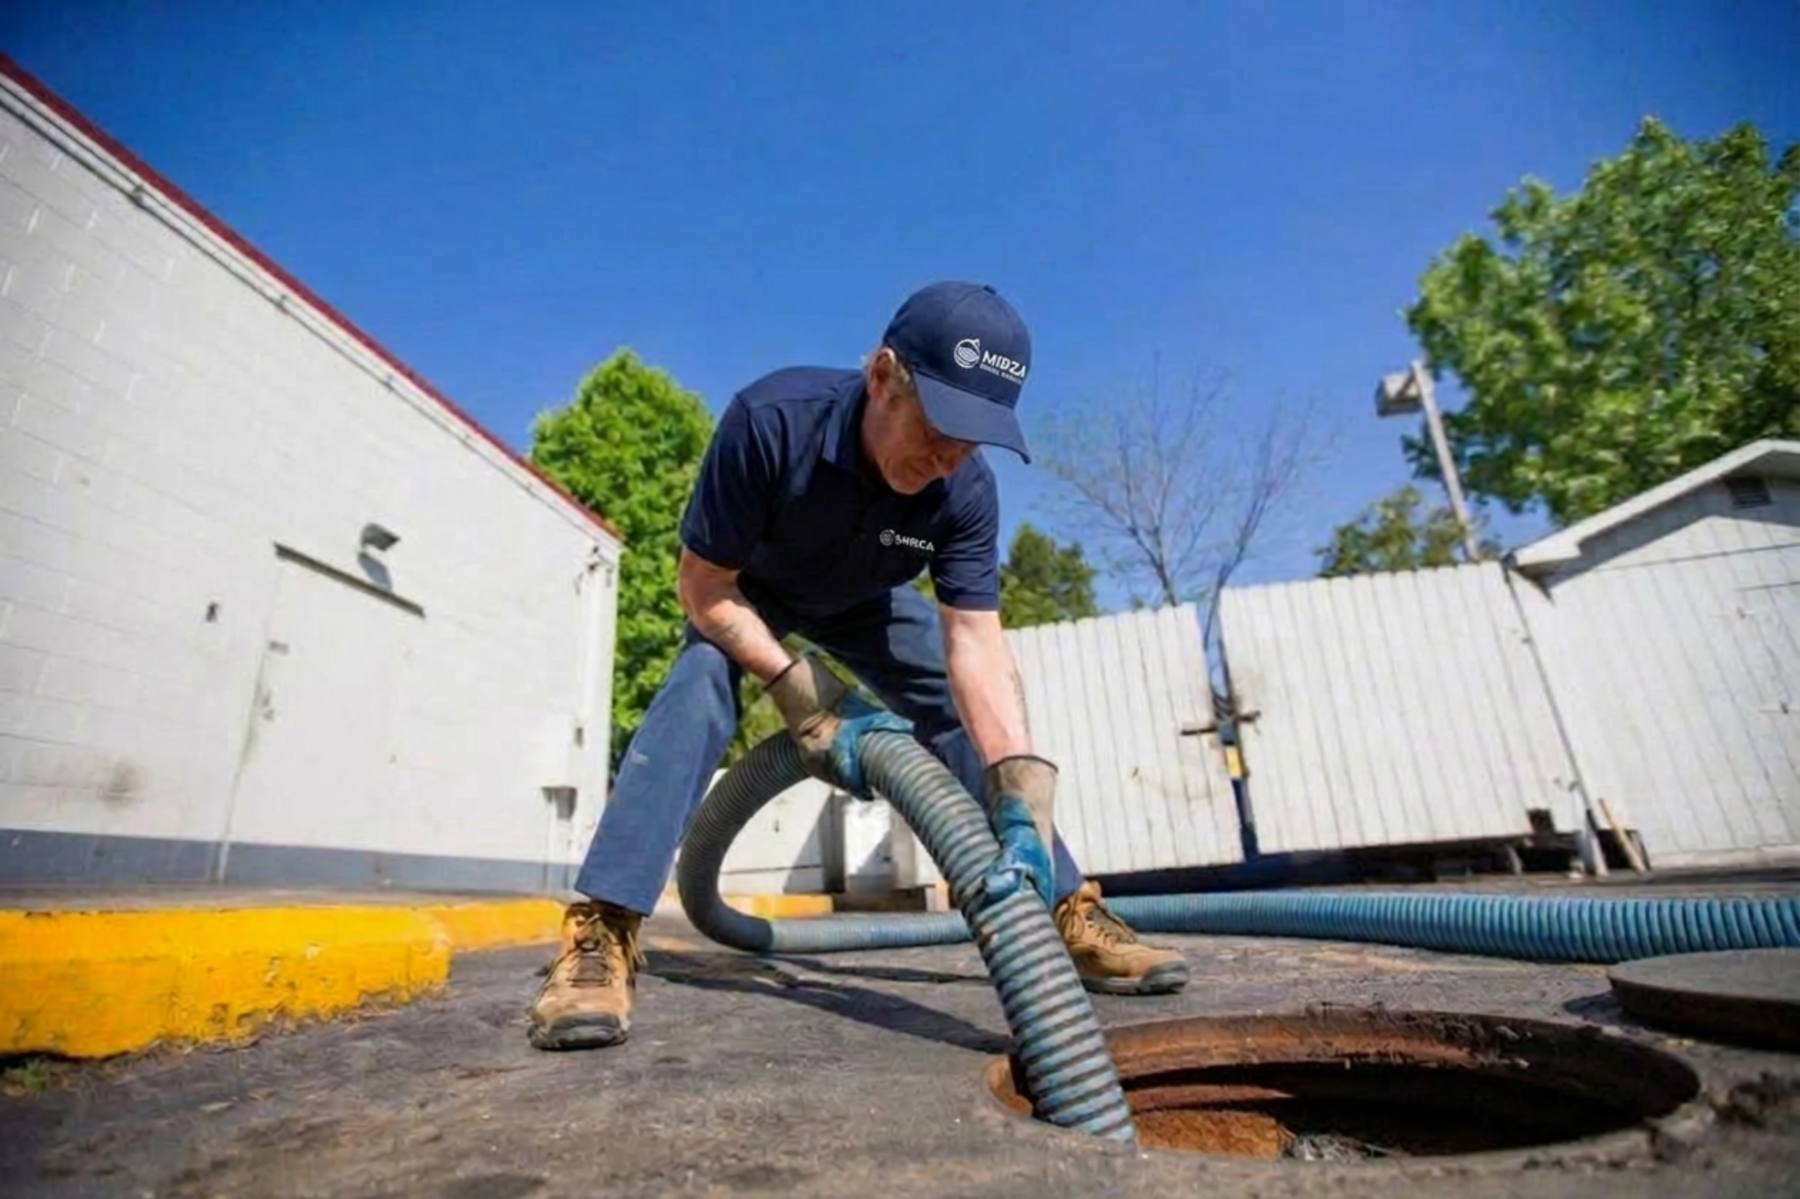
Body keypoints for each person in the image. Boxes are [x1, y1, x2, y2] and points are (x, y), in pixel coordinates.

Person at [530, 282, 1188, 1051]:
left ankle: (1064, 904)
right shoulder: (771, 421)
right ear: (883, 377)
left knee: (951, 692)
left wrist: (1019, 793)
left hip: (864, 602)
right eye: (941, 427)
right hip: (751, 594)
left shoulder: (965, 489)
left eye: (971, 441)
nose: (947, 459)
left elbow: (976, 639)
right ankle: (602, 927)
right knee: (700, 684)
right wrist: (802, 697)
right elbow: (702, 588)